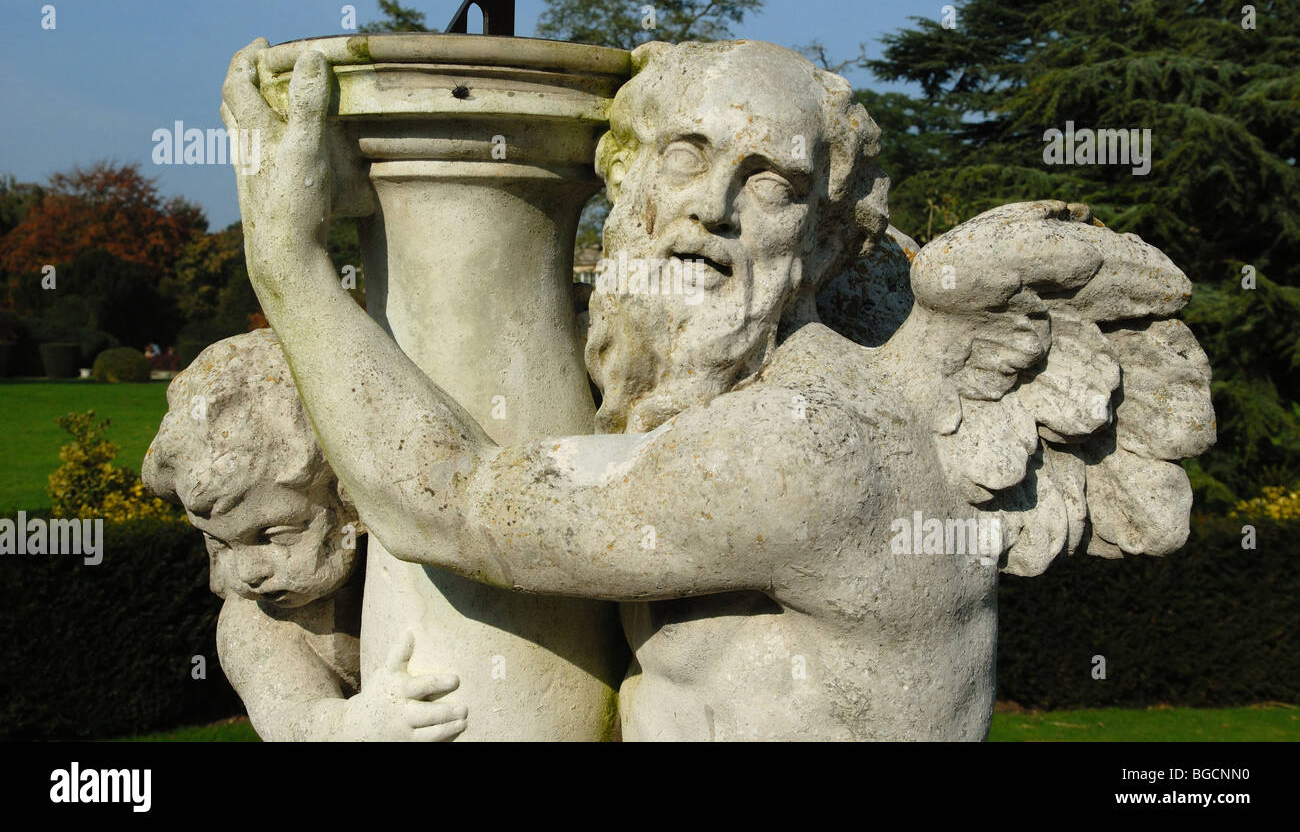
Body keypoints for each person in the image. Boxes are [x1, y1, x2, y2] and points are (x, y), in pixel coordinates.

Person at [222, 38, 1212, 740]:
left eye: (772, 183)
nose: (713, 207)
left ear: (823, 242)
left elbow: (445, 505)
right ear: (626, 187)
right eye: (686, 156)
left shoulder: (803, 444)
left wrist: (287, 263)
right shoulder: (727, 389)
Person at [143, 330, 467, 742]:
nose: (249, 574)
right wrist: (363, 727)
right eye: (220, 544)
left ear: (349, 489)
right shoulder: (255, 628)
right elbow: (295, 724)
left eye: (275, 535)